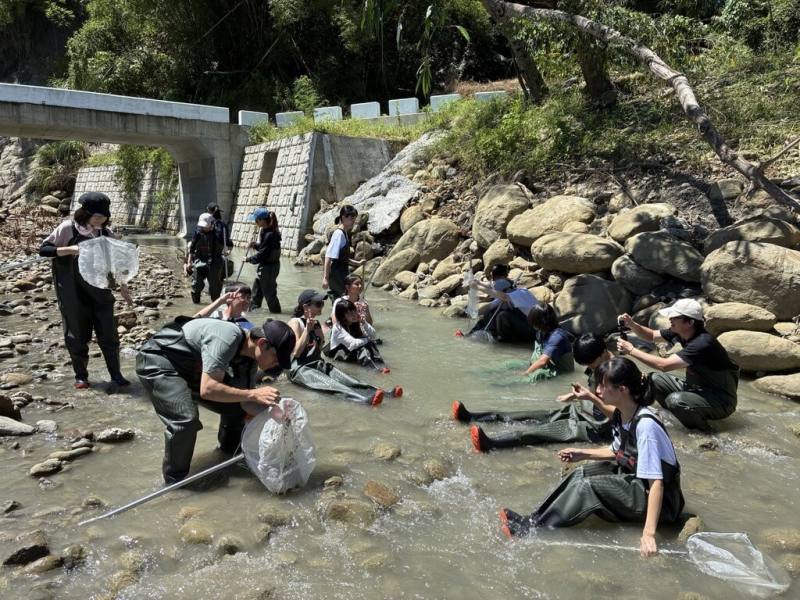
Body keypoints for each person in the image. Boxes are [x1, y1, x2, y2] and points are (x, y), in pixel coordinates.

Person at [499, 357, 685, 558]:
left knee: (588, 487)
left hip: (663, 503)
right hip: (637, 483)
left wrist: (649, 534)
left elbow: (657, 482)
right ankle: (534, 519)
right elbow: (617, 451)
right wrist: (583, 454)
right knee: (580, 473)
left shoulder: (646, 425)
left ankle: (534, 530)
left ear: (622, 389)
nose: (598, 390)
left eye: (603, 386)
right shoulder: (624, 414)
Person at [136, 316, 296, 483]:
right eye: (276, 358)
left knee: (236, 408)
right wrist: (253, 394)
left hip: (193, 371)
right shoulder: (227, 337)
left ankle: (228, 456)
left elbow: (244, 402)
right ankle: (174, 481)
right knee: (185, 421)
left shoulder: (249, 361)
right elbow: (209, 390)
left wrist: (275, 413)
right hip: (159, 361)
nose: (276, 365)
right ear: (262, 344)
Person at [455, 333, 614, 452]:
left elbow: (620, 413)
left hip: (593, 427)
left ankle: (491, 443)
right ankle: (472, 416)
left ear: (603, 353)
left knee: (539, 433)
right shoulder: (599, 362)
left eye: (590, 364)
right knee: (529, 415)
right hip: (579, 410)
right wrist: (574, 395)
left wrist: (590, 398)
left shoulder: (617, 374)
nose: (590, 367)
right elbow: (595, 392)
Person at [39, 192, 132, 390]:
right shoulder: (67, 228)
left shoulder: (105, 233)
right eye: (97, 217)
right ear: (85, 213)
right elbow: (44, 250)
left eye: (104, 217)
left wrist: (123, 285)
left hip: (101, 293)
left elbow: (117, 261)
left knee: (109, 335)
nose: (101, 220)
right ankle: (81, 376)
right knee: (77, 335)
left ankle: (116, 375)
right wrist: (69, 250)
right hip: (73, 292)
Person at [617, 298, 738, 431]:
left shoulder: (703, 343)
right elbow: (651, 335)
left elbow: (664, 365)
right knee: (653, 380)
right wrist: (632, 324)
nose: (670, 319)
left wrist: (631, 350)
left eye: (675, 317)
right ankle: (677, 417)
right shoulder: (681, 332)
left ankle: (703, 433)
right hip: (695, 389)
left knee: (675, 401)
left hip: (721, 401)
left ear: (690, 322)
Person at [287, 290, 400, 406]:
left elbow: (318, 350)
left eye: (322, 303)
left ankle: (384, 393)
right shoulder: (295, 322)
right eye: (318, 304)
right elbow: (295, 352)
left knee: (347, 380)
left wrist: (318, 335)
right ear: (306, 306)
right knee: (332, 385)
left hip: (317, 363)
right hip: (300, 369)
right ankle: (363, 401)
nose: (322, 306)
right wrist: (307, 330)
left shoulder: (315, 324)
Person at [467, 264, 538, 343]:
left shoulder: (521, 293)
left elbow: (502, 295)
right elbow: (489, 306)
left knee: (502, 315)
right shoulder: (505, 294)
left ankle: (505, 342)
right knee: (490, 313)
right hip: (522, 326)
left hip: (533, 330)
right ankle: (469, 335)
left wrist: (478, 287)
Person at [325, 298, 387, 371]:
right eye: (349, 313)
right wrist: (367, 339)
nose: (354, 314)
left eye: (354, 311)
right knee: (364, 348)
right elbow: (353, 344)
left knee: (370, 344)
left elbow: (373, 335)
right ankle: (375, 370)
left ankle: (380, 365)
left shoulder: (354, 323)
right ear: (342, 316)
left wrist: (364, 323)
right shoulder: (338, 328)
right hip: (338, 355)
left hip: (350, 352)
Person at [322, 205, 364, 300]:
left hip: (342, 273)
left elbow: (342, 257)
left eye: (354, 218)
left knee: (346, 300)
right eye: (351, 218)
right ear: (343, 217)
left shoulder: (344, 233)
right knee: (343, 300)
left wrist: (357, 263)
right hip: (337, 274)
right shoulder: (338, 234)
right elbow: (328, 256)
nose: (353, 221)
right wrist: (325, 278)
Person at [247, 208, 282, 313]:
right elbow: (264, 249)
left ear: (262, 220)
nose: (255, 222)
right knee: (256, 292)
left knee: (270, 294)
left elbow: (262, 254)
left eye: (256, 220)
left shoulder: (271, 234)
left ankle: (277, 316)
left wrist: (248, 259)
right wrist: (255, 245)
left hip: (269, 268)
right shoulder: (265, 231)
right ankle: (253, 314)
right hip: (265, 267)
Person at [185, 212, 224, 304]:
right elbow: (192, 248)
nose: (204, 228)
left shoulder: (218, 233)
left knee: (215, 287)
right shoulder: (198, 232)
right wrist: (189, 262)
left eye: (206, 226)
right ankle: (196, 305)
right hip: (200, 260)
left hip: (215, 262)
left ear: (212, 224)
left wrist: (226, 250)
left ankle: (215, 305)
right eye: (203, 226)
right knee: (196, 284)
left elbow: (228, 244)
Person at [331, 274, 378, 341]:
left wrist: (366, 312)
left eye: (361, 284)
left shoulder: (364, 303)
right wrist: (353, 310)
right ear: (347, 287)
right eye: (357, 284)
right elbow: (335, 323)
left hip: (361, 335)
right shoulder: (339, 302)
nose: (360, 286)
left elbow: (370, 324)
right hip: (345, 336)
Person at [207, 203, 234, 282]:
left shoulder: (209, 224)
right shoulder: (223, 224)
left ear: (210, 212)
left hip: (210, 254)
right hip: (219, 255)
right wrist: (228, 251)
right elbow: (229, 242)